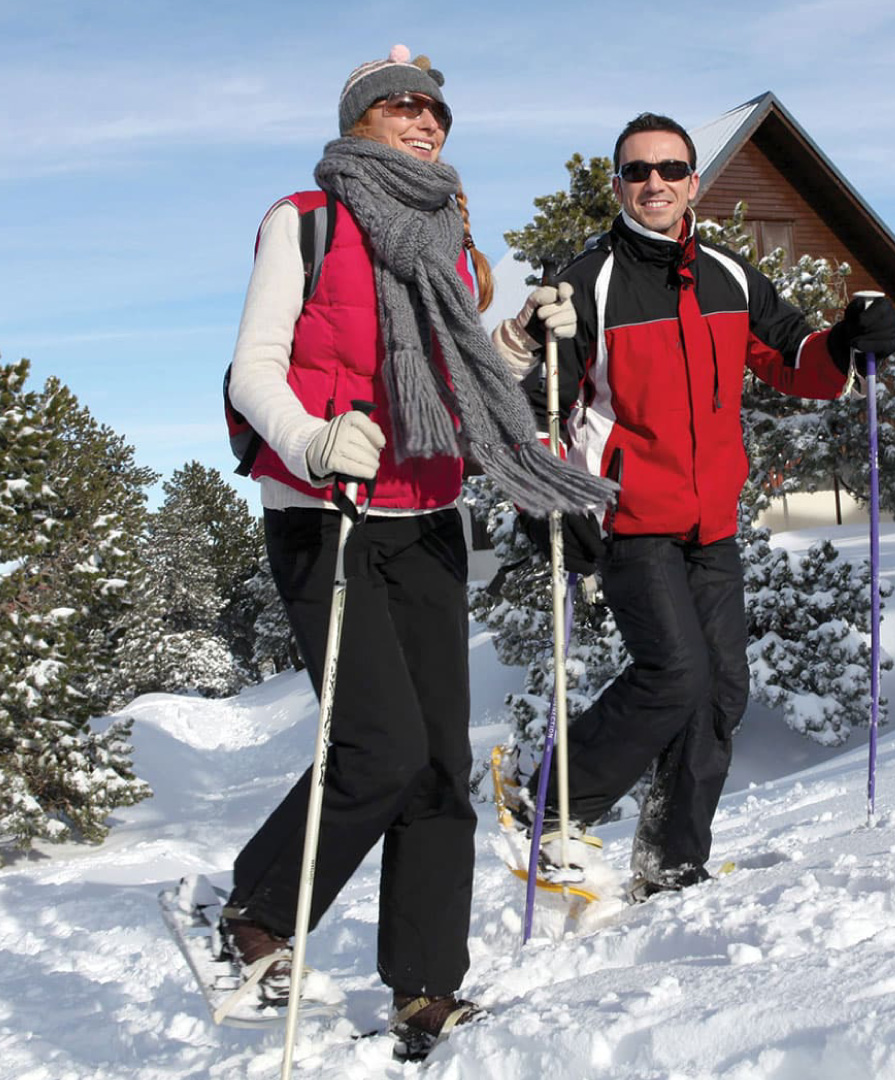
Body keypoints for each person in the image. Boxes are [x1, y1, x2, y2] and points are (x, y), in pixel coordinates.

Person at [223, 45, 612, 1059]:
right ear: (357, 122)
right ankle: (257, 913)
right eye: (399, 105)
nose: (424, 119)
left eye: (435, 108)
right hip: (325, 511)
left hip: (426, 516)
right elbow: (253, 367)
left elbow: (464, 372)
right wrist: (309, 438)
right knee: (379, 748)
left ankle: (426, 988)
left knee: (439, 765)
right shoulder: (304, 221)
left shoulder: (456, 240)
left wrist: (524, 335)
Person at [491, 112, 895, 900]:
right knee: (673, 674)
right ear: (617, 186)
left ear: (693, 183)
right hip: (629, 518)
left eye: (670, 170)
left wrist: (849, 339)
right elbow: (539, 407)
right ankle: (548, 799)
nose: (655, 183)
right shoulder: (588, 283)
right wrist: (552, 499)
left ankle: (671, 861)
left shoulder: (728, 275)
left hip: (712, 520)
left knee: (721, 692)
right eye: (638, 171)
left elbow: (793, 361)